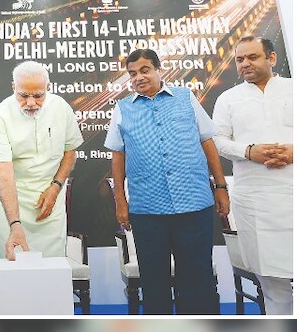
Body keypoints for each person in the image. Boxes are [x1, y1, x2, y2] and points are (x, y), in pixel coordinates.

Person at [105, 49, 230, 314]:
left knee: (198, 280)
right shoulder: (123, 109)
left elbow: (207, 142)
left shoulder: (186, 98)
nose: (138, 77)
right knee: (154, 283)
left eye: (145, 70)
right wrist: (120, 202)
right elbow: (118, 157)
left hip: (194, 204)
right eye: (132, 73)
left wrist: (220, 186)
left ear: (159, 70)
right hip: (147, 210)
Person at [212, 37, 293, 315]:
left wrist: (292, 152)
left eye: (253, 57)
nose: (245, 63)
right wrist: (249, 151)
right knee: (272, 282)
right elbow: (218, 141)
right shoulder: (228, 98)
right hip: (255, 200)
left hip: (292, 191)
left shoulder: (293, 89)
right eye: (240, 59)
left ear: (271, 58)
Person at [0, 62, 82, 264]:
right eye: (23, 96)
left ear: (48, 87)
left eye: (38, 96)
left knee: (50, 267)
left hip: (49, 199)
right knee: (10, 268)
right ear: (14, 87)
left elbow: (70, 150)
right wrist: (14, 223)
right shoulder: (0, 115)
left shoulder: (61, 108)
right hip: (9, 201)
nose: (31, 103)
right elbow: (4, 172)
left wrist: (55, 187)